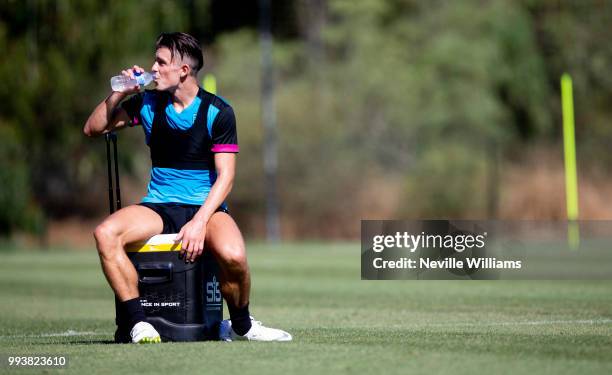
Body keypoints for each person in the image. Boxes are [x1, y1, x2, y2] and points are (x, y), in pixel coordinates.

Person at [83, 32, 291, 343]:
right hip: (160, 205)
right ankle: (138, 323)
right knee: (105, 234)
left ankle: (241, 325)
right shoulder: (147, 103)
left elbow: (226, 178)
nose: (154, 68)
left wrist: (199, 221)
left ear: (183, 71)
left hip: (205, 206)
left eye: (161, 62)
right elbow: (93, 128)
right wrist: (120, 93)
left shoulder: (218, 112)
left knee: (234, 255)